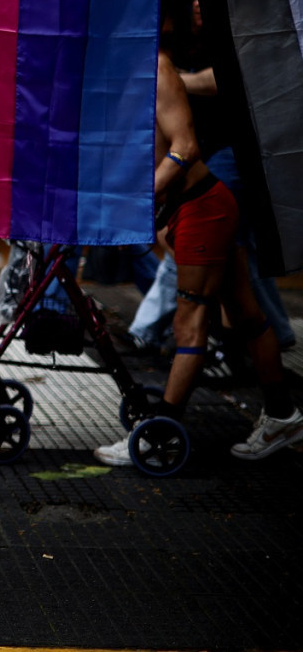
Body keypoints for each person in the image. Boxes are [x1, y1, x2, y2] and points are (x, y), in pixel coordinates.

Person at [94, 49, 303, 466]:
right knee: (246, 315)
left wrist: (138, 201)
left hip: (201, 207)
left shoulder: (154, 66)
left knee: (189, 326)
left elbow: (184, 147)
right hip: (191, 210)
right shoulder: (108, 67)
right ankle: (283, 415)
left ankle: (160, 434)